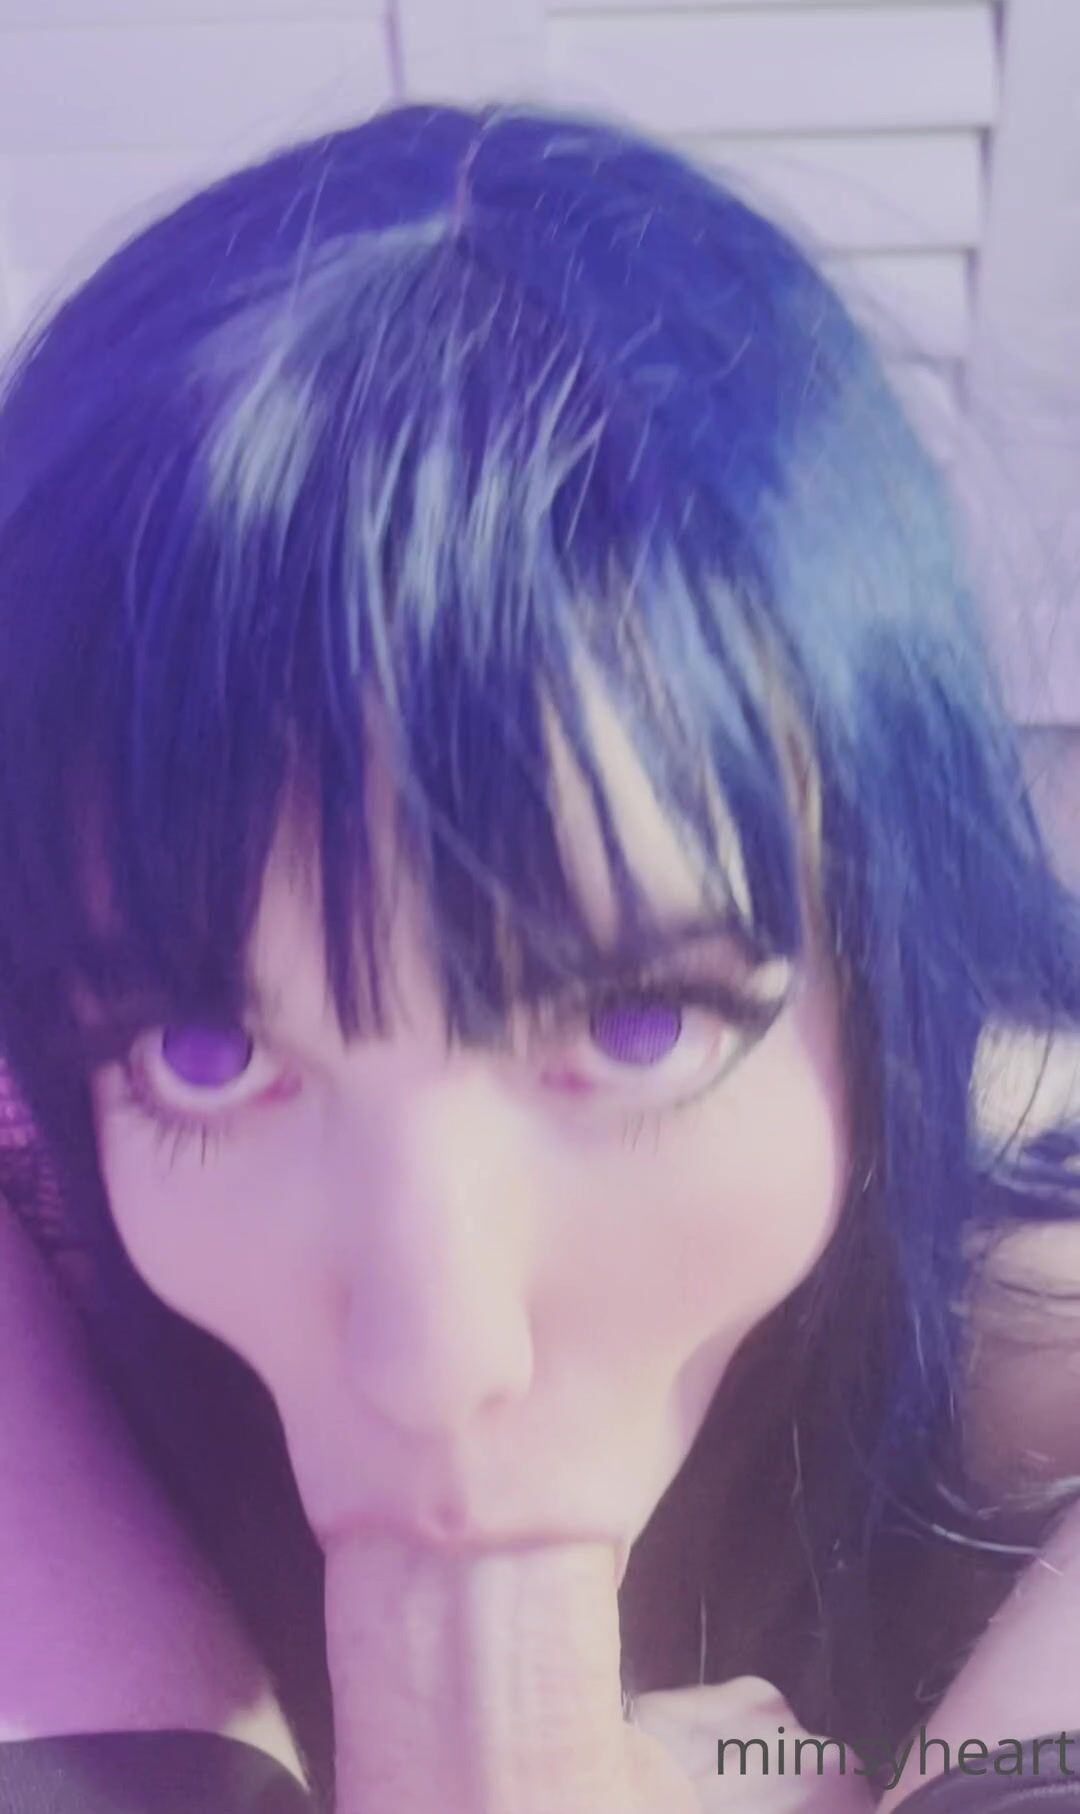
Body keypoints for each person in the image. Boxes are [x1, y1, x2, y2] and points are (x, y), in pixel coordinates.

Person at [0, 98, 1079, 1812]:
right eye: (211, 1051)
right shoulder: (52, 1198)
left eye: (642, 1020)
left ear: (883, 970)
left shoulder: (1000, 1273)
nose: (436, 1349)